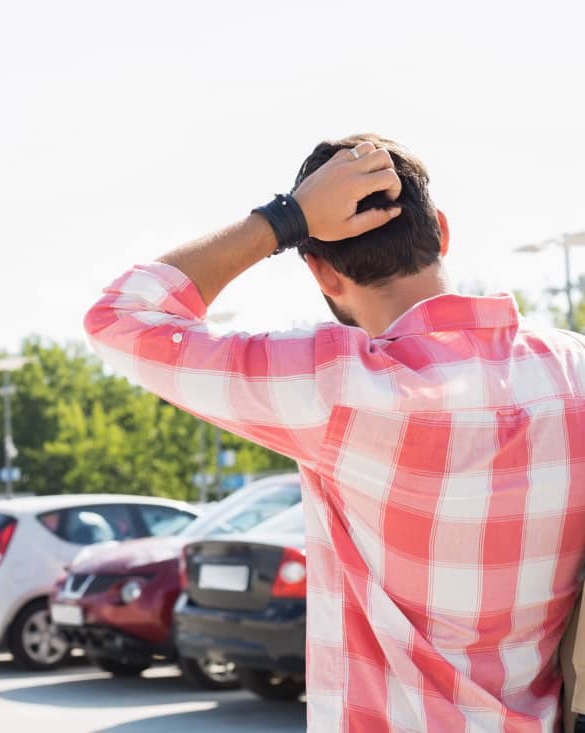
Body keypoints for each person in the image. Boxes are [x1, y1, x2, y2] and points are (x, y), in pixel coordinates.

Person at [84, 134, 585, 732]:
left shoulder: (338, 388)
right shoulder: (571, 371)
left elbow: (121, 317)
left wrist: (284, 218)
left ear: (321, 271)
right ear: (442, 234)